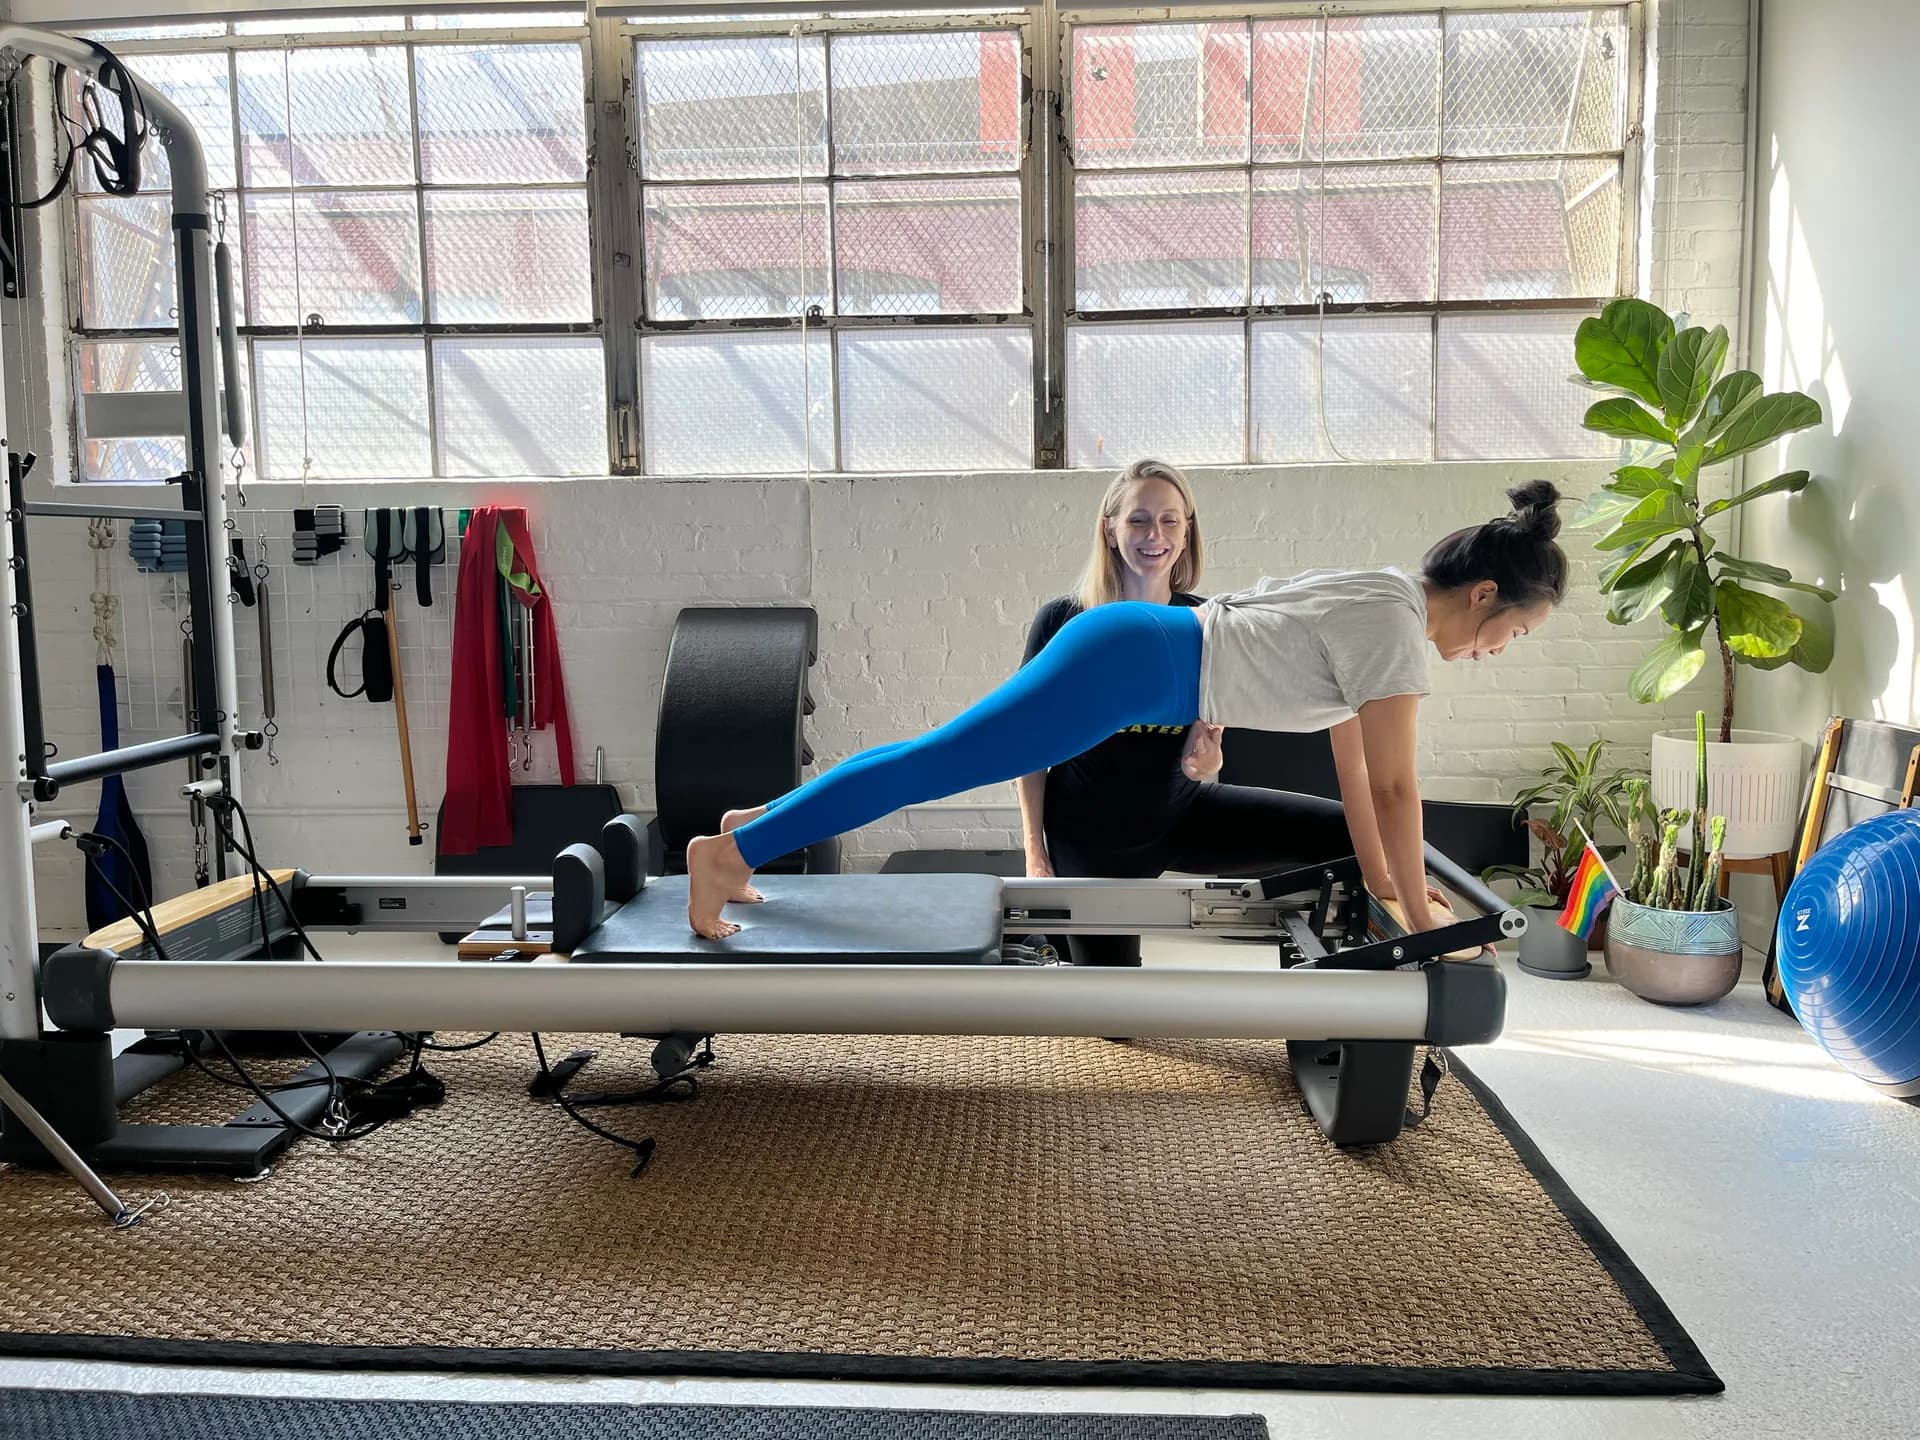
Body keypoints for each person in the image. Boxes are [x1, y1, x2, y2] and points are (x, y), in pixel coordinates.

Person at [688, 480, 1568, 940]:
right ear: (1486, 593)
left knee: (938, 755)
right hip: (1132, 666)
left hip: (1135, 653)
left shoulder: (1383, 595)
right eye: (1515, 633)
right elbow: (1395, 791)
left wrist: (1386, 883)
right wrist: (1420, 917)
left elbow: (1356, 767)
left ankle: (758, 824)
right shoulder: (1397, 629)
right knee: (940, 762)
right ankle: (729, 853)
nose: (1498, 652)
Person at [1018, 459, 1359, 968]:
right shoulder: (1064, 620)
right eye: (1137, 519)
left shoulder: (1205, 621)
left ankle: (1346, 969)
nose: (1153, 534)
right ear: (1110, 530)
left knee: (1349, 830)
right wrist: (1034, 853)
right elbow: (1027, 745)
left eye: (1169, 520)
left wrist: (1208, 763)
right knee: (1114, 1020)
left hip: (1180, 814)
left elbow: (1209, 752)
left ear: (1186, 532)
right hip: (1091, 841)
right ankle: (1056, 946)